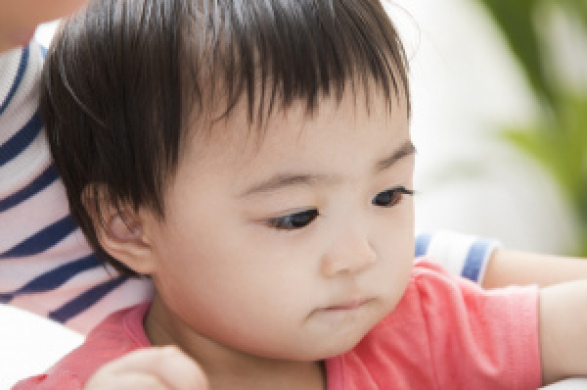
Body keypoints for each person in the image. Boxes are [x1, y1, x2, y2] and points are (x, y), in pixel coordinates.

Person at [13, 0, 587, 388]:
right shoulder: (106, 381)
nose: (360, 255)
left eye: (388, 195)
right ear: (129, 226)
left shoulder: (421, 326)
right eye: (296, 218)